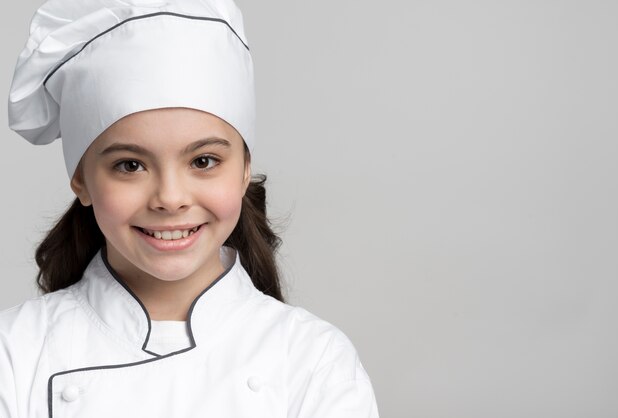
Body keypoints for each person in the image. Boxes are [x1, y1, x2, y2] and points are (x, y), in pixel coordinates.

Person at [1, 0, 380, 417]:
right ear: (81, 180)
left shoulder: (313, 360)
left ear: (243, 171)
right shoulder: (15, 351)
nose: (170, 197)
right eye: (130, 165)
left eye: (203, 161)